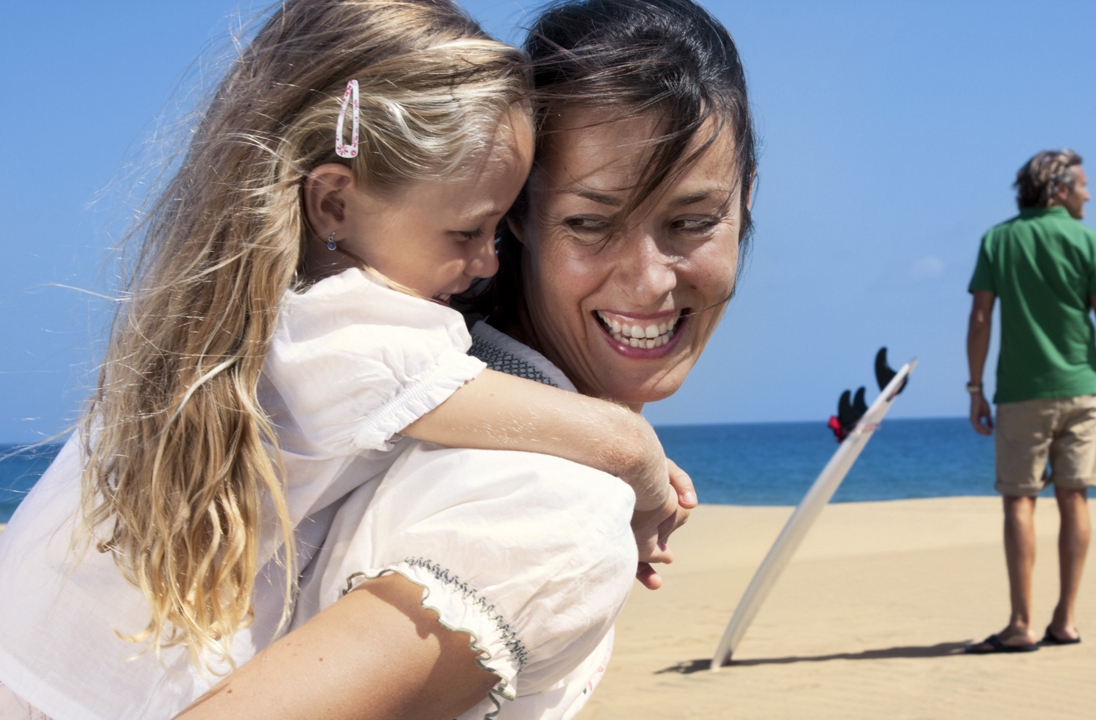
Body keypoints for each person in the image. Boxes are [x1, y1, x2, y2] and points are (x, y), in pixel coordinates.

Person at [0, 2, 693, 718]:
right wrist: (639, 460)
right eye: (468, 230)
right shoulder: (345, 326)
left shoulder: (257, 321)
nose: (489, 262)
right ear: (333, 204)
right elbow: (571, 428)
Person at [177, 0, 757, 718]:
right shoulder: (550, 504)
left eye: (693, 222)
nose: (650, 280)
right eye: (589, 222)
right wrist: (624, 450)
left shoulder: (394, 371)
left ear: (746, 200)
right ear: (515, 211)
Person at [964, 149, 1096, 654]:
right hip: (1084, 390)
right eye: (1082, 184)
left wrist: (974, 388)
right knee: (1074, 499)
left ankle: (1021, 623)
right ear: (1058, 189)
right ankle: (1065, 620)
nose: (1088, 193)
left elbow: (979, 321)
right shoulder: (1089, 241)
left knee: (1020, 502)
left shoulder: (998, 239)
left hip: (1021, 394)